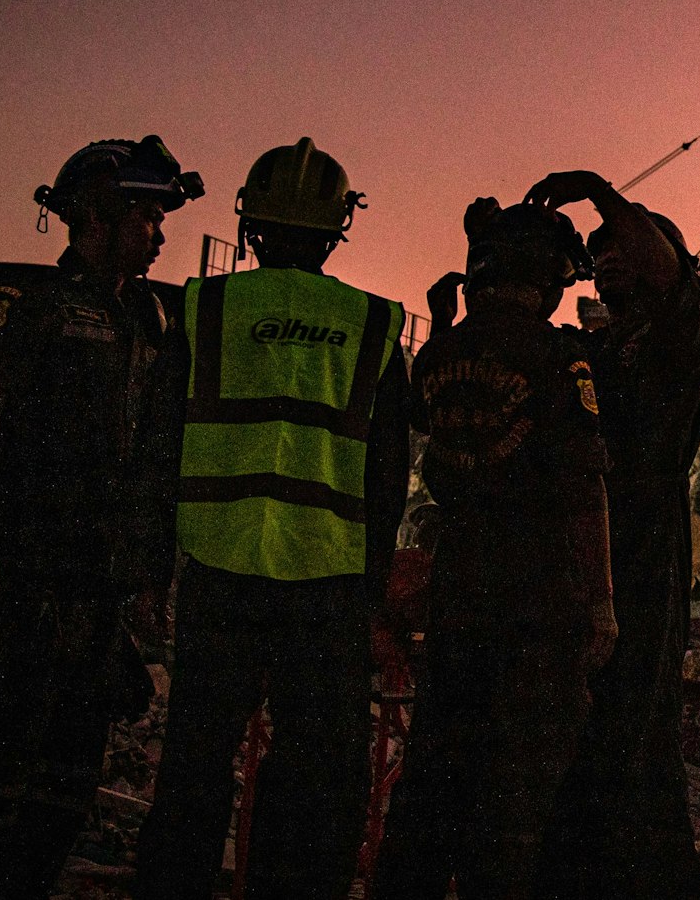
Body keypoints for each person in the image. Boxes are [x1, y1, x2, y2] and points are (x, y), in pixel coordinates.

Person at [0, 137, 202, 900]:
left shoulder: (151, 320)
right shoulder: (28, 308)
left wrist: (148, 575)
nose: (159, 235)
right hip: (23, 571)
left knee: (72, 764)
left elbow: (153, 453)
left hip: (96, 586)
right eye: (146, 217)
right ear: (98, 215)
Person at [135, 139, 409, 900]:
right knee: (316, 773)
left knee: (192, 763)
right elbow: (388, 478)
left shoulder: (205, 306)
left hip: (217, 569)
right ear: (334, 232)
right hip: (325, 582)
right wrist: (375, 592)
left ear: (250, 225)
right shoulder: (374, 324)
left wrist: (152, 571)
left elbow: (158, 447)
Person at [371, 200, 616, 900]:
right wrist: (600, 603)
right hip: (540, 591)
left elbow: (430, 423)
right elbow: (584, 486)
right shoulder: (559, 354)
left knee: (437, 769)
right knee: (518, 794)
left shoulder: (438, 353)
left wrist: (449, 322)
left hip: (460, 583)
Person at [522, 170, 700, 900]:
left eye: (624, 246)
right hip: (577, 563)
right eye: (598, 251)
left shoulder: (683, 329)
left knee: (635, 751)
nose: (608, 257)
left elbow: (669, 273)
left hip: (641, 567)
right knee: (571, 750)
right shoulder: (589, 354)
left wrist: (600, 191)